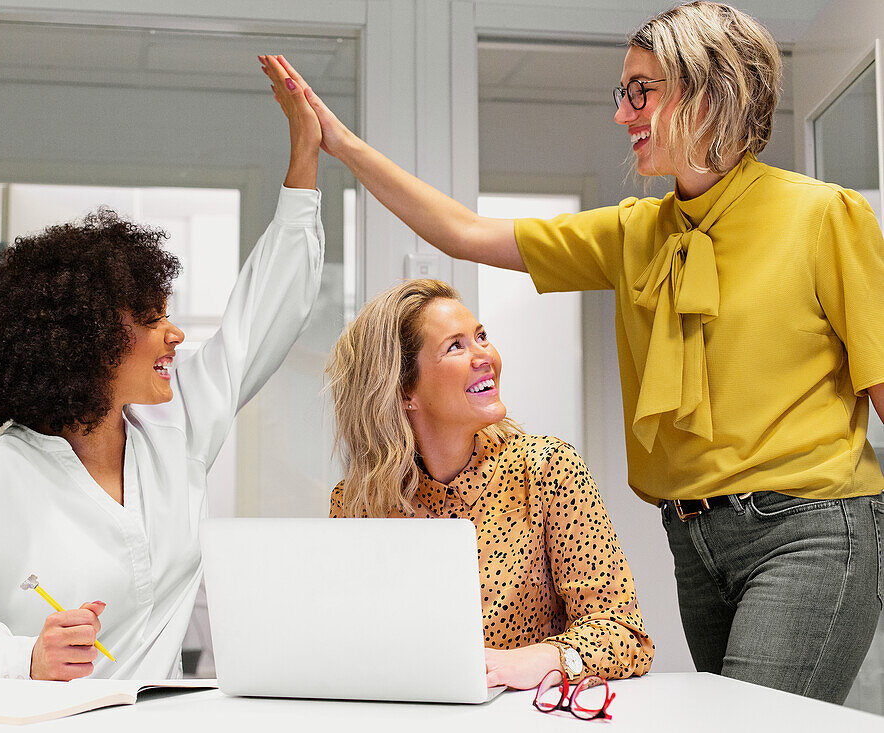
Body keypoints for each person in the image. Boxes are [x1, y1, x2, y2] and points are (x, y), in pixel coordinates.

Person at [262, 0, 884, 704]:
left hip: (807, 528)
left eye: (640, 92)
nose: (623, 115)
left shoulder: (826, 216)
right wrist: (340, 143)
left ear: (709, 93)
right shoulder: (632, 233)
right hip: (693, 537)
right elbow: (464, 232)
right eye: (623, 94)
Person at [0, 59, 323, 682]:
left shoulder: (175, 426)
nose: (176, 335)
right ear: (81, 339)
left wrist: (304, 160)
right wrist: (25, 657)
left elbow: (262, 319)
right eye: (150, 317)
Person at [327, 278, 654, 688]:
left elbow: (624, 634)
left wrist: (546, 659)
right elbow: (349, 642)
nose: (485, 355)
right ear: (404, 389)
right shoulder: (357, 504)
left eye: (481, 337)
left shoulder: (547, 470)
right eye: (456, 346)